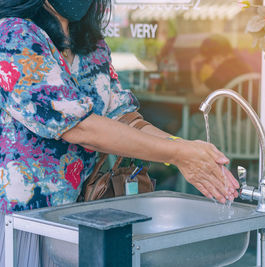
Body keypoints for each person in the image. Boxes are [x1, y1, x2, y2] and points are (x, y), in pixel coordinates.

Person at [0, 1, 239, 266]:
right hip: (22, 219)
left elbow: (123, 116)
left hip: (76, 215)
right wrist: (178, 153)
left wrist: (186, 149)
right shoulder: (14, 35)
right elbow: (77, 126)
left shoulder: (91, 45)